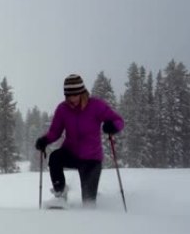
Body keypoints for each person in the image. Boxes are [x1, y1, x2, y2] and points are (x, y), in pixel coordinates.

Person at [35, 74, 124, 206]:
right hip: (71, 153)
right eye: (69, 95)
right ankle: (60, 194)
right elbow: (55, 132)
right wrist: (45, 140)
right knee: (55, 158)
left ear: (82, 92)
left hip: (91, 159)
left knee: (88, 202)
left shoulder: (96, 106)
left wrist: (112, 126)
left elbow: (119, 121)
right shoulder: (62, 109)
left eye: (75, 95)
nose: (72, 99)